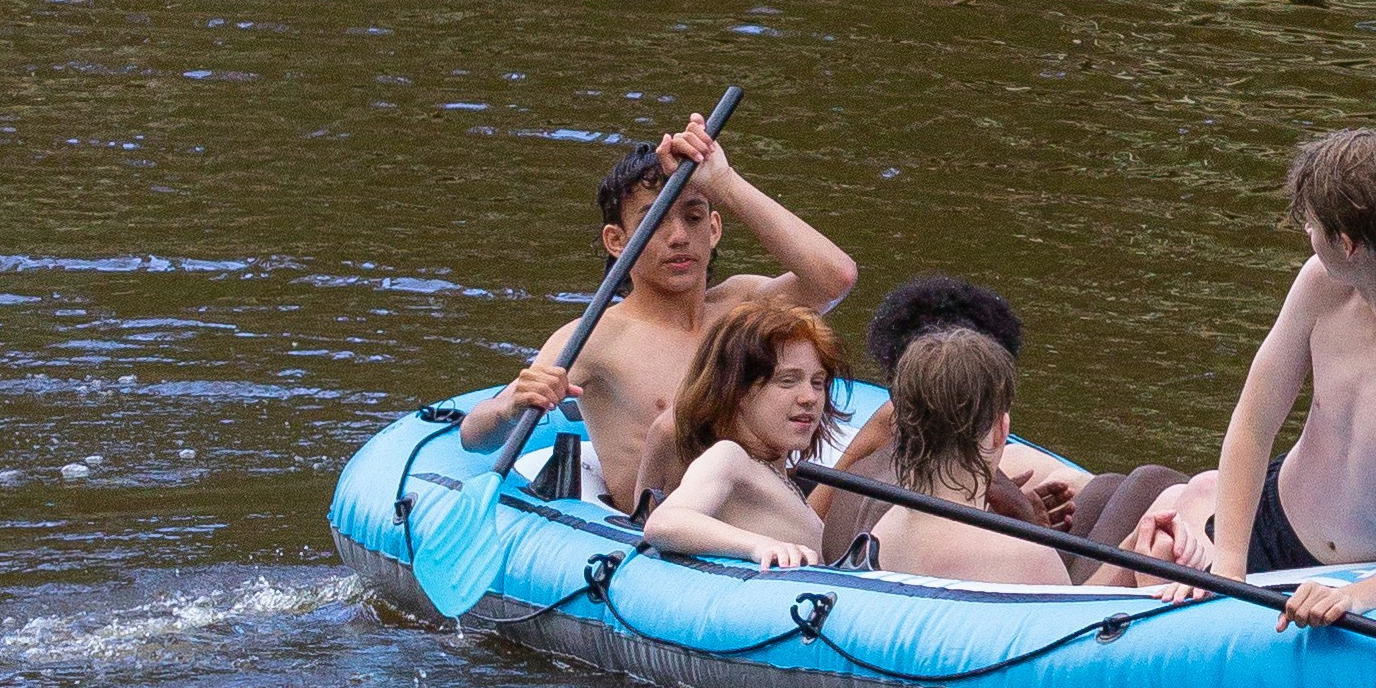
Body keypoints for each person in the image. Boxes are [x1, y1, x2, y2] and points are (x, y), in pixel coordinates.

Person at [455, 112, 856, 517]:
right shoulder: (597, 336)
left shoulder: (745, 306)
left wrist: (725, 183)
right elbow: (475, 434)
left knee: (889, 428)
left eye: (694, 217)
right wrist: (511, 407)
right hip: (670, 533)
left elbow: (834, 277)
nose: (679, 236)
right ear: (616, 240)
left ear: (714, 228)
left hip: (770, 514)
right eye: (654, 221)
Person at [1181, 127, 1376, 626]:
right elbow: (1253, 420)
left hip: (1361, 569)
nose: (1308, 237)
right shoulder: (1323, 286)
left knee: (1148, 520)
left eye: (1311, 225)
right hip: (1274, 519)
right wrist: (1227, 564)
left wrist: (1357, 596)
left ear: (1348, 244)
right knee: (1141, 504)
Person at [813, 272, 1088, 562]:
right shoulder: (908, 478)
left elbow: (817, 513)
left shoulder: (874, 458)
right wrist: (1025, 523)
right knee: (1115, 486)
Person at [833, 323, 1066, 589]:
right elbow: (1092, 622)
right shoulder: (1031, 560)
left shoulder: (883, 531)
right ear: (1001, 431)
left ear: (902, 425)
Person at [634, 291, 841, 565]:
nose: (810, 397)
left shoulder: (775, 476)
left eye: (817, 383)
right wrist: (759, 546)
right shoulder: (729, 457)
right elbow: (664, 523)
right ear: (737, 392)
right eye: (788, 381)